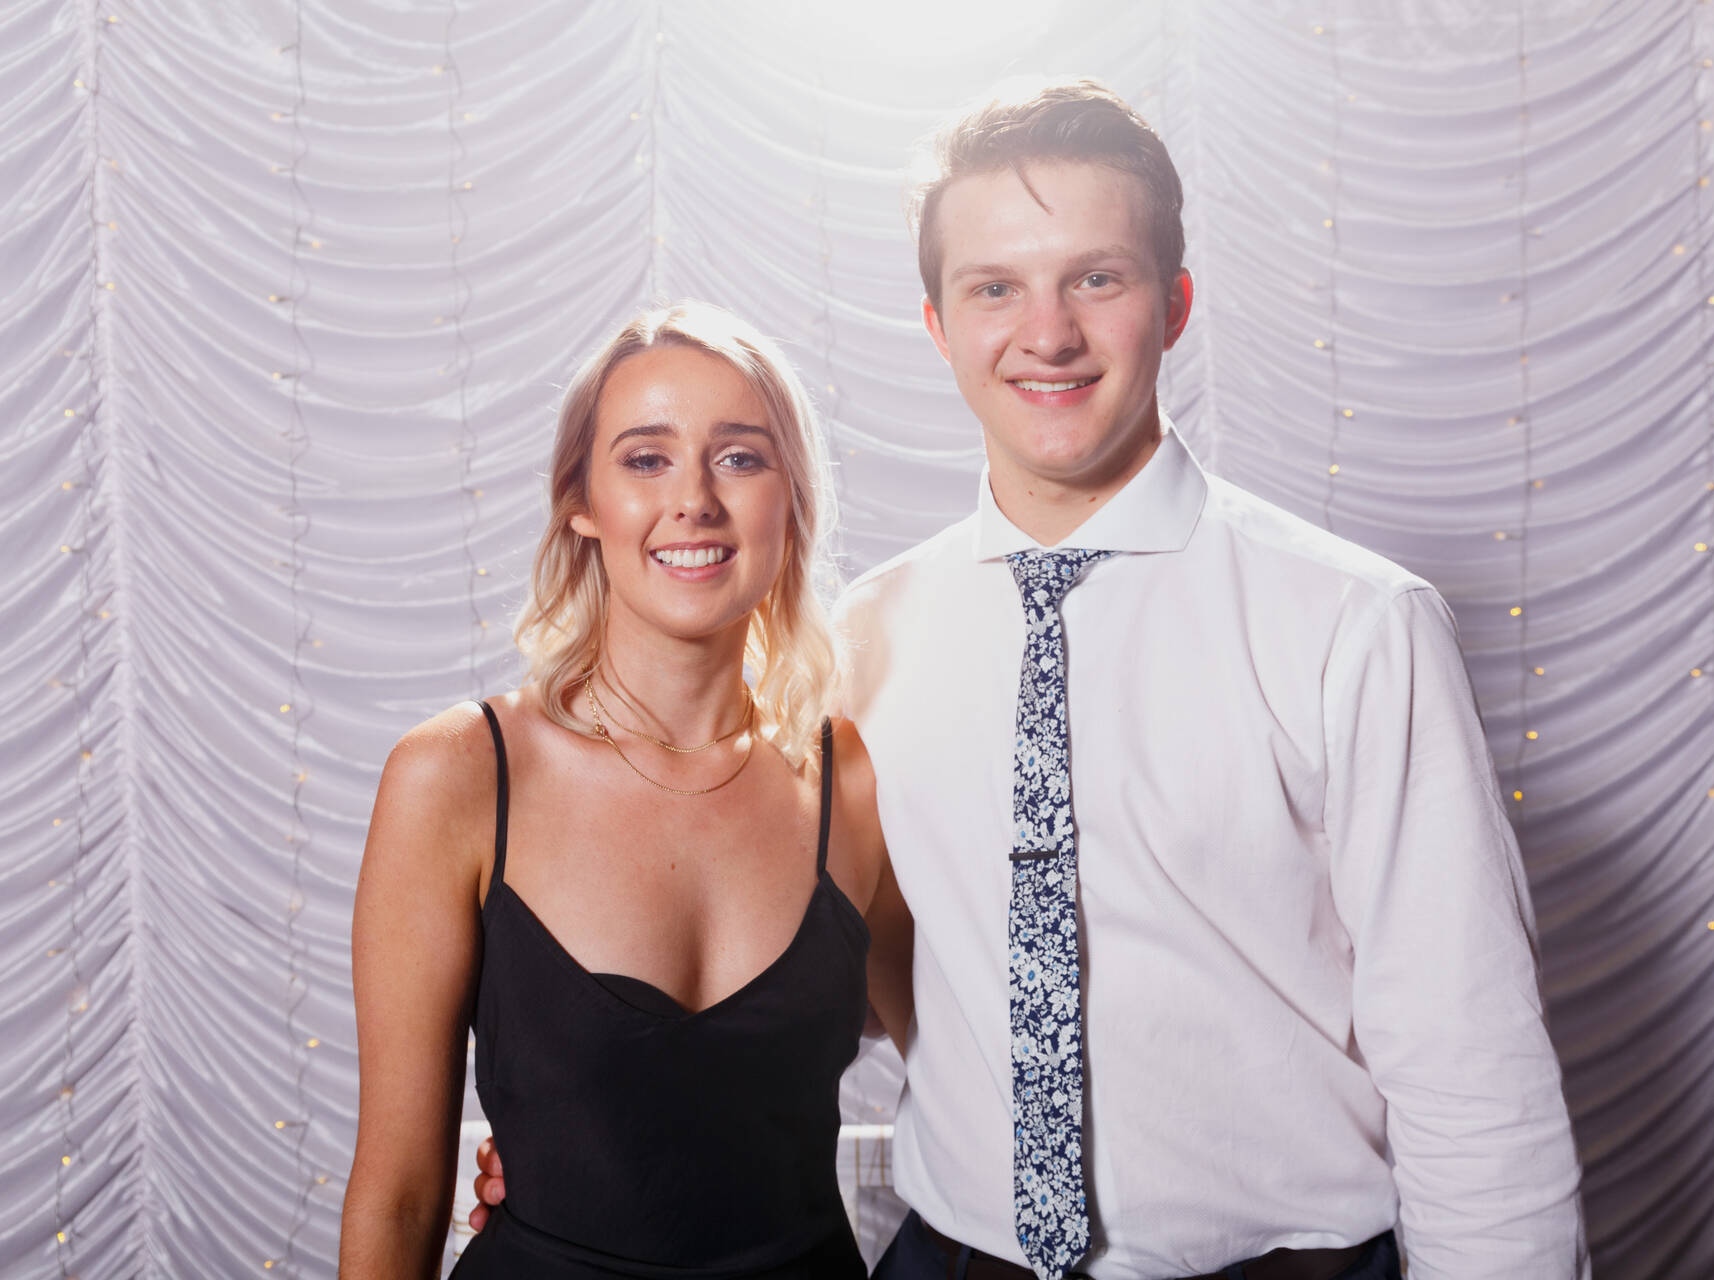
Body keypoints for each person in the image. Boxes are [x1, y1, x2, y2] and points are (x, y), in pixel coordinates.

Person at [476, 80, 1587, 1279]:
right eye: (995, 287)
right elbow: (807, 979)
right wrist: (593, 1145)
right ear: (939, 324)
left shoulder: (1355, 626)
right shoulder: (862, 641)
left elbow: (1473, 1069)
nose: (1046, 333)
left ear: (1175, 304)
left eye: (1096, 279)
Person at [340, 302, 911, 1279]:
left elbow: (967, 1065)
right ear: (581, 500)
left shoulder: (853, 777)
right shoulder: (459, 775)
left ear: (790, 497)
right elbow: (397, 1196)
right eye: (647, 459)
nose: (694, 499)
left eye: (740, 457)